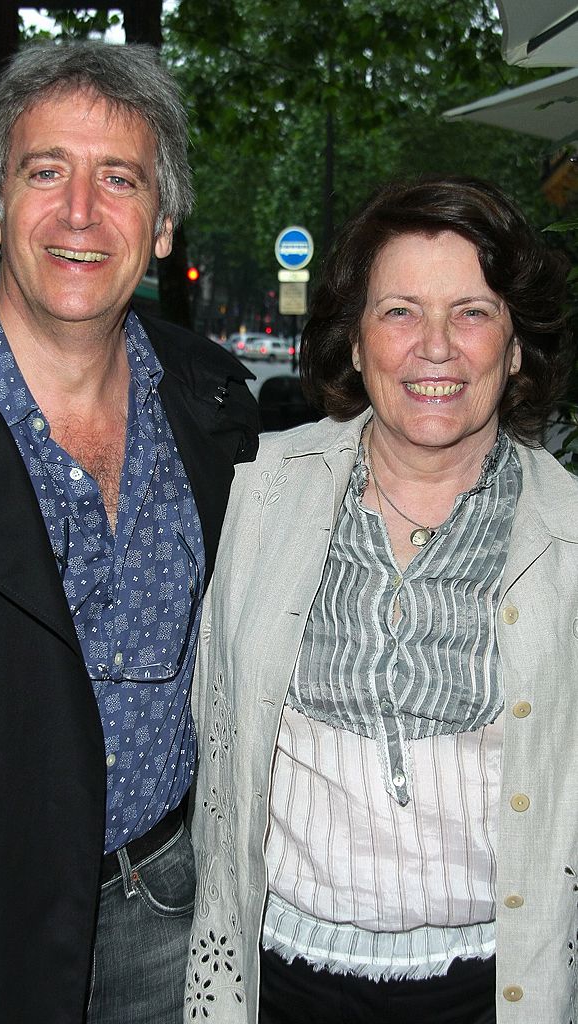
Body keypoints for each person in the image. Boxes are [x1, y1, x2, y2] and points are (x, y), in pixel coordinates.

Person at [0, 40, 258, 1024]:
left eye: (120, 179)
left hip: (170, 897)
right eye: (45, 170)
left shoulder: (216, 412)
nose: (81, 214)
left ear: (162, 221)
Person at [184, 177, 578, 1024]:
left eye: (470, 313)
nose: (433, 348)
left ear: (514, 350)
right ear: (354, 344)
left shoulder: (570, 536)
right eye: (398, 311)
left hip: (495, 985)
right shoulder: (256, 498)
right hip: (282, 977)